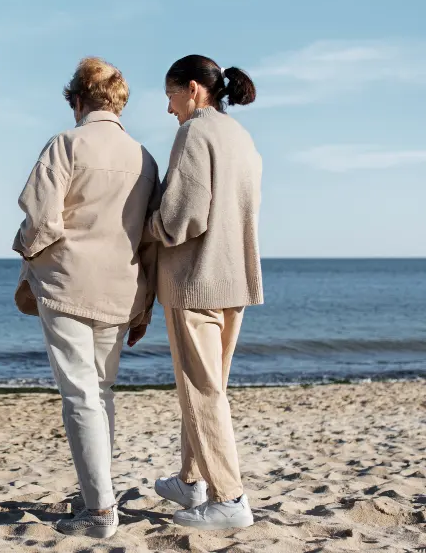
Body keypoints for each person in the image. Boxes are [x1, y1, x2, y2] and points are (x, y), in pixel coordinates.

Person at [13, 57, 159, 538]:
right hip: (123, 288)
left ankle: (98, 511)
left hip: (68, 284)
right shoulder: (145, 157)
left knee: (80, 395)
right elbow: (149, 240)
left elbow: (41, 221)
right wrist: (146, 305)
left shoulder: (66, 144)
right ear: (117, 102)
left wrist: (28, 260)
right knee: (100, 393)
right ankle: (100, 497)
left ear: (77, 100)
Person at [147, 54, 263, 530]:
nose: (169, 108)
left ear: (193, 89)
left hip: (196, 279)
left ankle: (230, 499)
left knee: (202, 392)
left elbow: (183, 216)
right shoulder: (241, 137)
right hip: (234, 278)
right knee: (209, 387)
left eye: (171, 95)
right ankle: (192, 478)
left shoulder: (194, 133)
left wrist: (147, 227)